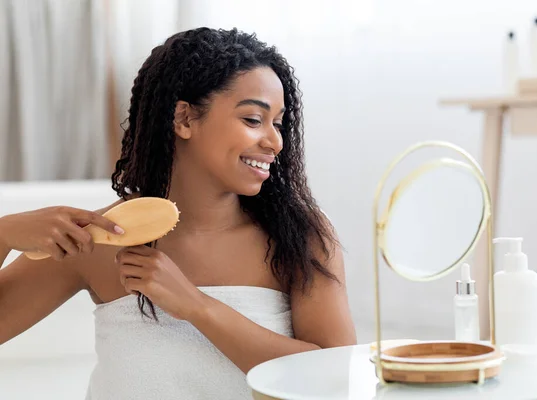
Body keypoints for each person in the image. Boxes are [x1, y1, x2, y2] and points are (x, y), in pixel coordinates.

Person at [0, 27, 356, 399]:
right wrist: (3, 233)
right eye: (254, 119)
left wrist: (196, 306)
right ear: (184, 119)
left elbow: (334, 378)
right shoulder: (100, 237)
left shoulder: (299, 236)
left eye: (278, 123)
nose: (275, 141)